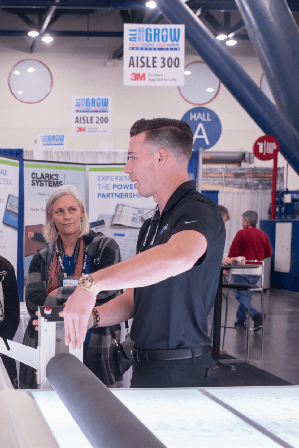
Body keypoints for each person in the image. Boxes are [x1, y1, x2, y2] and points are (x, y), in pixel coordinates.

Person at [56, 118, 226, 388]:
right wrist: (90, 318)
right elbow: (135, 298)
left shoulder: (197, 209)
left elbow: (180, 256)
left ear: (160, 157)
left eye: (132, 158)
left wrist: (91, 284)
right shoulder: (151, 224)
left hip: (181, 371)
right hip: (145, 366)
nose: (126, 168)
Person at [20, 185, 122, 388]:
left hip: (95, 345)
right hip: (49, 345)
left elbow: (110, 294)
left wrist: (57, 293)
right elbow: (33, 302)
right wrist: (84, 294)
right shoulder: (41, 257)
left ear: (81, 211)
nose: (67, 216)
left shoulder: (106, 248)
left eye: (72, 209)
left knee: (97, 409)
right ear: (51, 217)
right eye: (59, 211)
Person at [228, 210, 272, 331]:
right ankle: (240, 320)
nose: (242, 223)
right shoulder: (263, 234)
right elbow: (268, 253)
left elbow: (233, 253)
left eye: (242, 220)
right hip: (257, 271)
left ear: (246, 221)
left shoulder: (242, 233)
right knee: (247, 296)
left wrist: (228, 266)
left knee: (239, 294)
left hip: (243, 270)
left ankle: (255, 314)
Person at [0, 255, 20, 388]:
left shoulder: (4, 268)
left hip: (1, 342)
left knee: (7, 402)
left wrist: (3, 341)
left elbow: (13, 311)